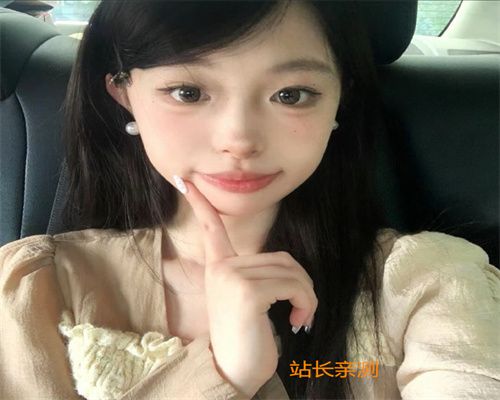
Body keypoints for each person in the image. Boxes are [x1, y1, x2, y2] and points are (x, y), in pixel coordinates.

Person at [0, 0, 498, 399]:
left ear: (339, 99)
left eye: (291, 94)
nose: (238, 139)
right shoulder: (35, 289)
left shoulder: (429, 284)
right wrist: (223, 375)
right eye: (188, 92)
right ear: (124, 94)